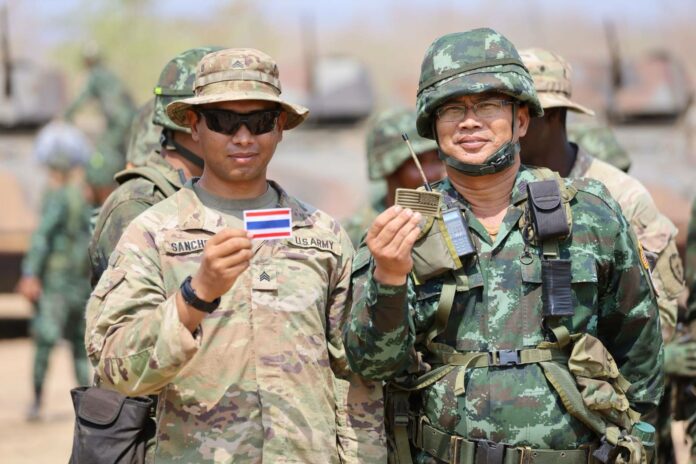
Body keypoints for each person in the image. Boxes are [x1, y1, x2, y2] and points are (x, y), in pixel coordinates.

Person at [344, 28, 663, 463]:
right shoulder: (402, 226)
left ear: (522, 119)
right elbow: (371, 367)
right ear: (432, 127)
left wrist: (638, 441)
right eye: (451, 109)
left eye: (489, 105)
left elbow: (638, 348)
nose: (469, 121)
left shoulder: (588, 214)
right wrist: (389, 278)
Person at [85, 47, 386, 463]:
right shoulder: (152, 234)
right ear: (194, 125)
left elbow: (354, 376)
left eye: (259, 121)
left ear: (280, 126)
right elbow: (114, 370)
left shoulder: (323, 234)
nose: (243, 138)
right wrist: (194, 299)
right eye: (224, 121)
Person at [88, 47, 220, 284]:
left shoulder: (222, 195)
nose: (244, 135)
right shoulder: (137, 207)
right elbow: (134, 314)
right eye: (226, 118)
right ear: (190, 122)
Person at [16, 121, 93, 420]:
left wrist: (30, 273)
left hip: (60, 283)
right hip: (77, 281)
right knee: (77, 344)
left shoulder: (60, 197)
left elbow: (41, 236)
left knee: (48, 341)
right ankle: (86, 405)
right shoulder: (84, 199)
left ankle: (38, 402)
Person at [343, 108, 444, 247]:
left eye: (436, 159)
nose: (432, 173)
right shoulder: (354, 236)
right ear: (388, 167)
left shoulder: (453, 218)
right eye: (417, 162)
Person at [64, 41, 135, 159]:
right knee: (124, 149)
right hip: (127, 116)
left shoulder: (96, 75)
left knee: (105, 148)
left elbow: (82, 97)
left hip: (117, 119)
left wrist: (67, 114)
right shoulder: (108, 73)